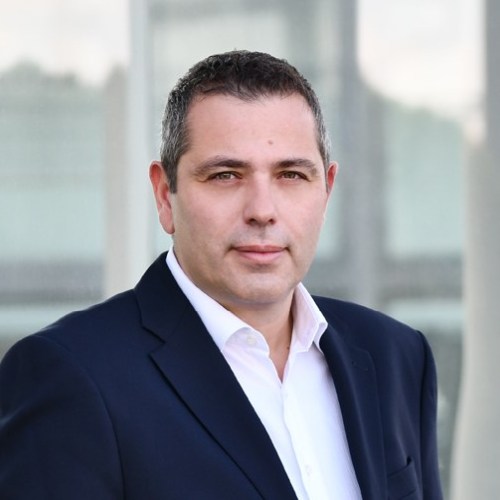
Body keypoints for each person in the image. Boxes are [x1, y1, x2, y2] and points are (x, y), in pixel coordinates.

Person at [0, 50, 442, 500]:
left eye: (291, 175)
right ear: (165, 196)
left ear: (326, 191)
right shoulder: (73, 375)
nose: (262, 211)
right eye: (226, 175)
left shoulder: (396, 357)